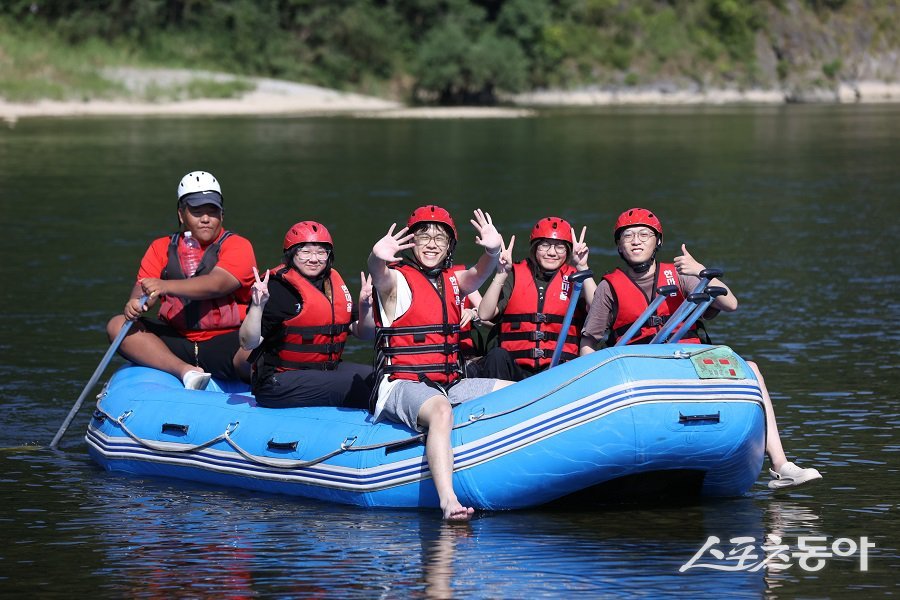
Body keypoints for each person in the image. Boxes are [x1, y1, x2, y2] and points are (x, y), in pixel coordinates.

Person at [580, 207, 822, 489]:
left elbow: (731, 304)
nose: (636, 241)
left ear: (657, 242)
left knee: (752, 369)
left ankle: (781, 465)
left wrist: (699, 271)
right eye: (628, 236)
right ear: (619, 245)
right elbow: (587, 343)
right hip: (639, 366)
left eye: (644, 235)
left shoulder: (681, 275)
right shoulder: (609, 287)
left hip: (686, 359)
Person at [368, 204, 514, 521]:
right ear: (412, 242)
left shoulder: (452, 280)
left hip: (447, 382)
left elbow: (478, 274)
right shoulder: (395, 281)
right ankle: (448, 501)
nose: (432, 243)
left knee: (514, 390)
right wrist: (377, 257)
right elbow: (378, 274)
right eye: (425, 236)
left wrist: (492, 252)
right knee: (441, 409)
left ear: (449, 246)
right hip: (400, 385)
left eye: (440, 238)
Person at [106, 171, 256, 390]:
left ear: (222, 215)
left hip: (228, 340)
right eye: (196, 212)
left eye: (212, 211)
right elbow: (142, 290)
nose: (205, 219)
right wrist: (136, 304)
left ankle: (265, 386)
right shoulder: (160, 247)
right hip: (178, 341)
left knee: (258, 345)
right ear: (181, 215)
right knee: (117, 325)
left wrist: (165, 285)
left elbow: (217, 284)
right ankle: (184, 371)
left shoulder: (239, 246)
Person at [239, 221, 375, 409]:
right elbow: (248, 343)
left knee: (379, 378)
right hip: (277, 382)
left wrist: (366, 307)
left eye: (321, 252)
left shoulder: (331, 285)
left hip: (326, 370)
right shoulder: (277, 288)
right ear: (291, 254)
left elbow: (364, 333)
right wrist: (256, 306)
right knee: (355, 388)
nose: (314, 259)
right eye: (305, 252)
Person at [473, 217, 596, 381]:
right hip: (516, 373)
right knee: (496, 356)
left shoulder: (576, 279)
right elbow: (484, 314)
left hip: (557, 372)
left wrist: (582, 267)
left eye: (559, 247)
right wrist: (501, 273)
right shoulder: (514, 274)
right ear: (534, 248)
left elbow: (598, 312)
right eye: (544, 245)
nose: (552, 252)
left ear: (567, 251)